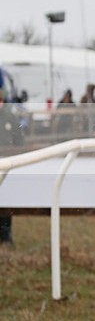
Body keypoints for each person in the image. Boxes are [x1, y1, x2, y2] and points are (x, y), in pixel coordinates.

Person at [0, 88, 24, 245]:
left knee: (6, 200)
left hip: (6, 164)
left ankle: (5, 235)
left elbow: (18, 139)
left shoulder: (9, 116)